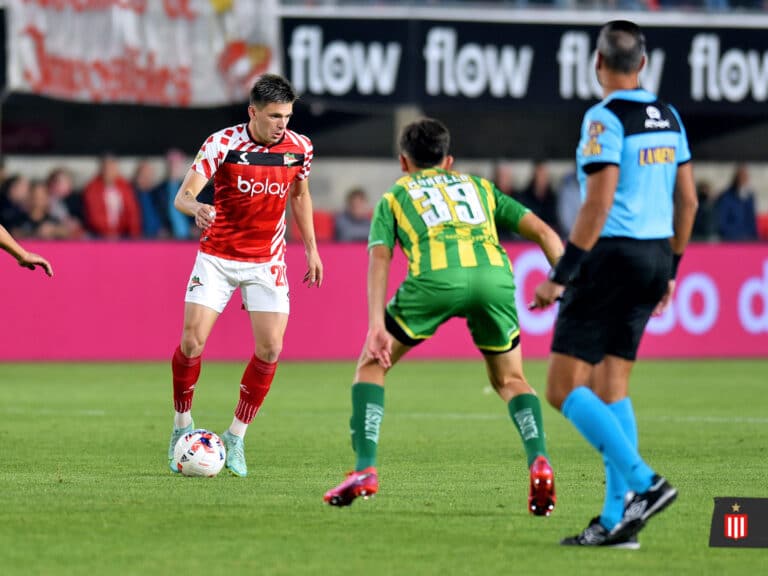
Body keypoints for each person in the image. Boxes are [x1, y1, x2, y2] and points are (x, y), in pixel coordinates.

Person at [324, 118, 564, 515]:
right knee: (511, 379)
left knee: (371, 365)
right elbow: (544, 232)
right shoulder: (480, 187)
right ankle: (539, 459)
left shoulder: (395, 195)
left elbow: (380, 258)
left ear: (404, 161)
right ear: (448, 161)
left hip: (435, 280)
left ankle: (365, 468)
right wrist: (561, 281)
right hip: (494, 278)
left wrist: (375, 327)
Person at [533, 20, 698, 548]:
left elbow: (598, 203)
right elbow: (688, 201)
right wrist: (670, 270)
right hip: (654, 256)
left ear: (598, 64)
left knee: (562, 389)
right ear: (643, 64)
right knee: (612, 387)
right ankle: (616, 523)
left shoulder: (603, 119)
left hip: (610, 259)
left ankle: (645, 484)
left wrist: (561, 276)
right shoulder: (669, 116)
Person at [167, 73, 323, 477]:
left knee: (271, 348)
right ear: (252, 112)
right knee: (191, 340)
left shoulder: (300, 148)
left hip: (266, 261)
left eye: (287, 116)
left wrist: (311, 248)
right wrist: (197, 209)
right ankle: (181, 424)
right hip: (217, 256)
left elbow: (301, 196)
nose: (282, 124)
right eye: (274, 116)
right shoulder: (222, 143)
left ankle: (236, 436)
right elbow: (183, 195)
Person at [82, 155, 142, 239]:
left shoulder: (125, 187)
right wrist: (110, 233)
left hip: (123, 234)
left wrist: (134, 233)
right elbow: (94, 216)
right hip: (100, 235)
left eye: (112, 168)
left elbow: (132, 212)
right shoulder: (92, 189)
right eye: (107, 169)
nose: (109, 172)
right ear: (101, 170)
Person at [716, 164, 758, 241]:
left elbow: (752, 221)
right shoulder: (726, 197)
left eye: (745, 177)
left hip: (748, 238)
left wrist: (752, 237)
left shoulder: (749, 197)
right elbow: (722, 222)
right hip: (731, 239)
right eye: (741, 177)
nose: (743, 180)